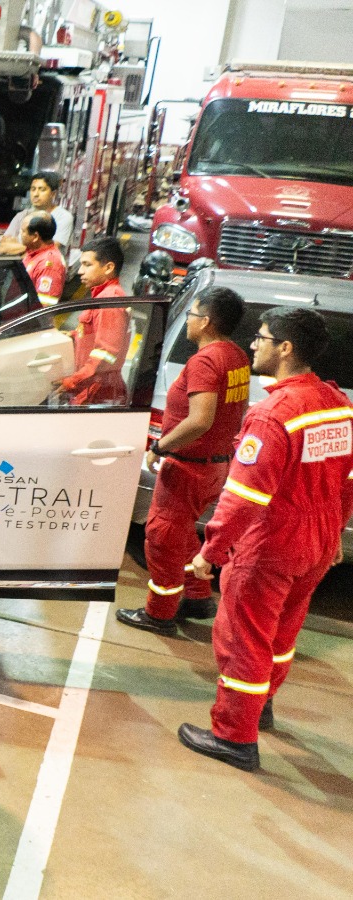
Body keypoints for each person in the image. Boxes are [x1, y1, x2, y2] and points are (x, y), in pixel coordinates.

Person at [181, 307, 353, 771]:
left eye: (260, 338)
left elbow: (242, 499)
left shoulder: (273, 415)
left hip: (271, 545)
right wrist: (334, 532)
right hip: (314, 544)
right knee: (280, 634)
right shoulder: (338, 404)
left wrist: (209, 554)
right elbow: (346, 481)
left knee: (244, 639)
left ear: (285, 348)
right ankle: (263, 704)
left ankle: (234, 736)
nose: (252, 344)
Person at [119, 287, 250, 635]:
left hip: (189, 466)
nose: (190, 320)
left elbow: (200, 419)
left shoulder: (206, 361)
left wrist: (160, 446)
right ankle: (196, 596)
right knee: (181, 534)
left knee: (161, 538)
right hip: (214, 465)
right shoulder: (236, 356)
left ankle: (159, 613)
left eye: (191, 314)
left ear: (205, 321)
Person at [55, 236, 130, 407]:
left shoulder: (109, 300)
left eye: (87, 265)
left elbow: (105, 354)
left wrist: (73, 381)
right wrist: (75, 335)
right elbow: (96, 333)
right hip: (92, 389)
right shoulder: (103, 296)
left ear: (108, 267)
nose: (80, 271)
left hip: (96, 393)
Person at [0, 170, 74, 254]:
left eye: (42, 189)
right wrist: (34, 248)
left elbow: (50, 249)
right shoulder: (22, 215)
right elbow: (2, 246)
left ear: (53, 194)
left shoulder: (63, 217)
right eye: (33, 189)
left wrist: (15, 247)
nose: (36, 194)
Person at [20, 214, 66, 305]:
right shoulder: (33, 253)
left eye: (23, 231)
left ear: (35, 236)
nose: (20, 234)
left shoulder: (49, 265)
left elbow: (44, 306)